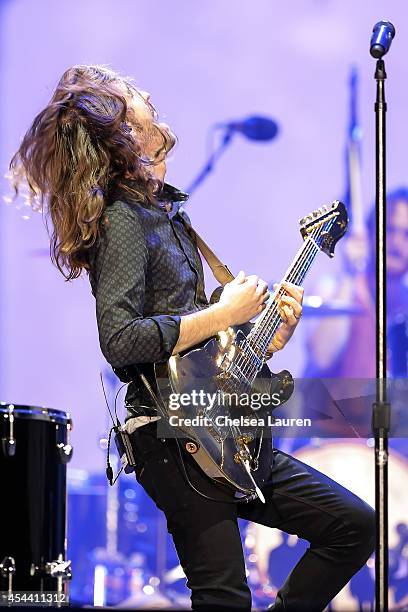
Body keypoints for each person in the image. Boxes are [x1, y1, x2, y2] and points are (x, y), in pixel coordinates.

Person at [10, 64, 375, 611]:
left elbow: (197, 345)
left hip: (217, 425)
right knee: (224, 598)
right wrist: (225, 312)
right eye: (135, 99)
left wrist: (269, 332)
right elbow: (123, 340)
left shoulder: (168, 216)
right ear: (124, 135)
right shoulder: (123, 219)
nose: (149, 97)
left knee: (353, 524)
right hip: (171, 437)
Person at [305, 188, 408, 378]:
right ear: (371, 232)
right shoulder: (332, 287)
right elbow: (322, 357)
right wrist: (351, 274)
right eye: (389, 229)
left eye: (406, 235)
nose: (396, 242)